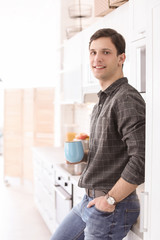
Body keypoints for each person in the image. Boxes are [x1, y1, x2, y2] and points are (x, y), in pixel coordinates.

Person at [50, 28, 145, 240]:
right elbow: (113, 150)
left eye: (105, 52)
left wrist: (110, 200)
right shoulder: (104, 98)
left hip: (112, 206)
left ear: (122, 58)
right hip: (90, 201)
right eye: (93, 52)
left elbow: (142, 158)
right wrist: (83, 155)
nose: (97, 58)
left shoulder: (126, 98)